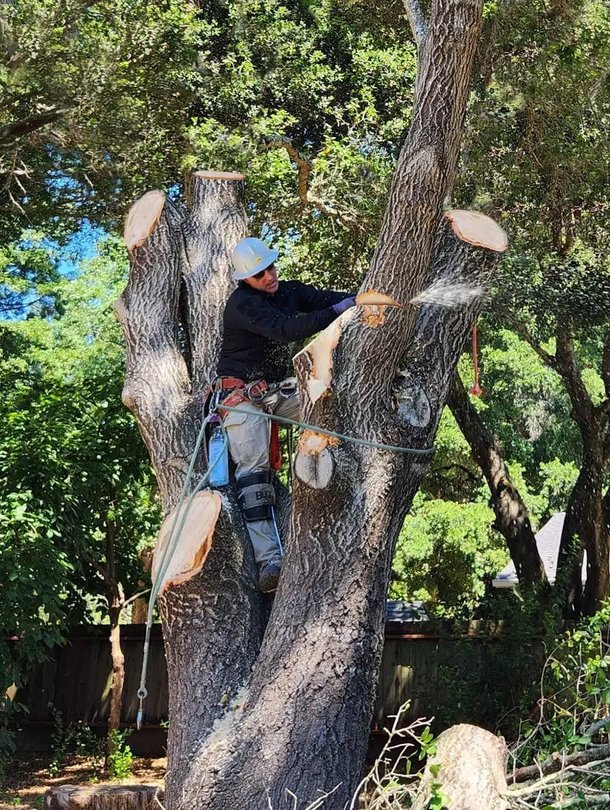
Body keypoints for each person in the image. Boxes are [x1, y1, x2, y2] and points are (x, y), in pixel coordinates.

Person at [214, 236, 356, 592]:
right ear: (245, 278)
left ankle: (324, 490)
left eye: (271, 267)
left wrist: (359, 297)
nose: (269, 275)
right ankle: (270, 562)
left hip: (278, 392)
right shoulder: (242, 305)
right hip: (242, 397)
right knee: (254, 475)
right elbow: (287, 329)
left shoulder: (288, 291)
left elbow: (323, 298)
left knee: (328, 409)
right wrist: (338, 312)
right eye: (260, 273)